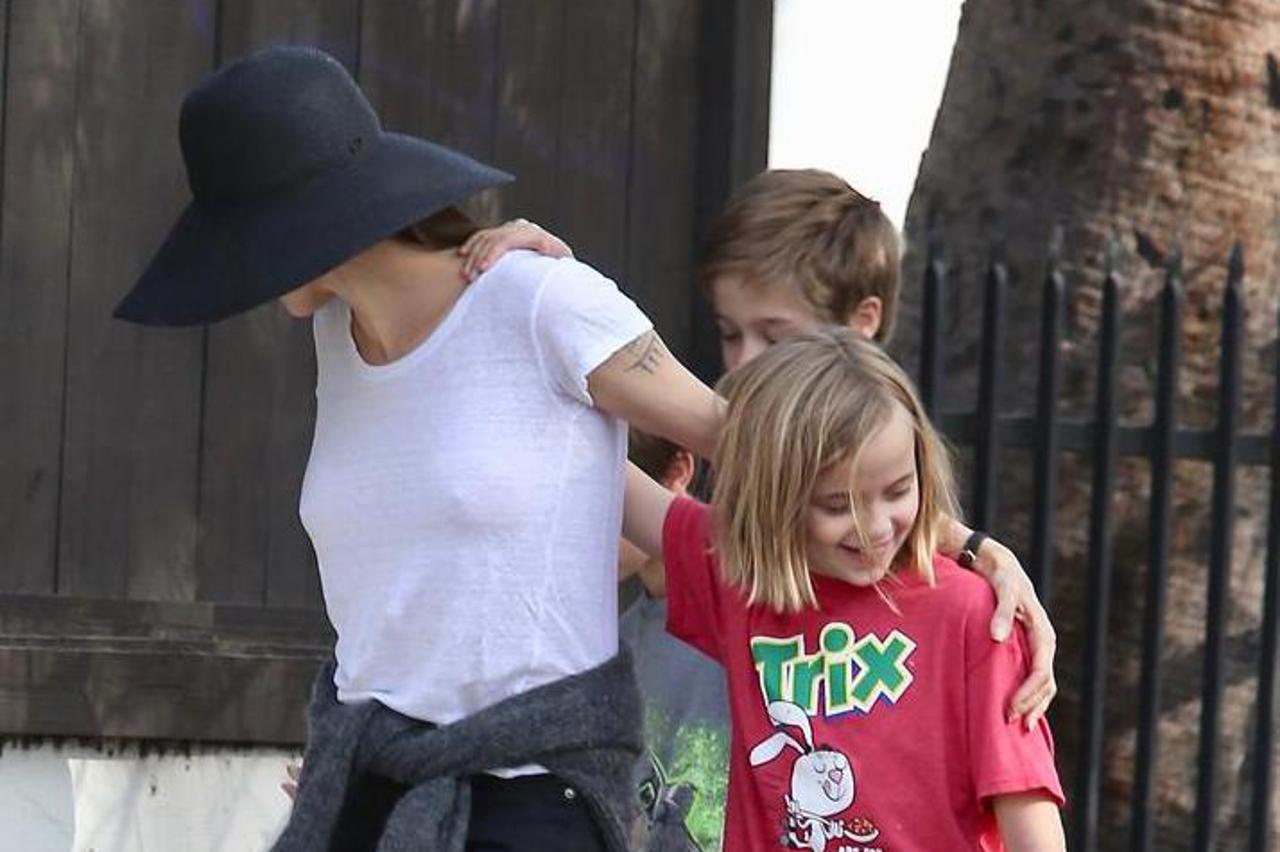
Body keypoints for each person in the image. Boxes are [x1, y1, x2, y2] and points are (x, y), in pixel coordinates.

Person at [114, 45, 724, 851]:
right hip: (368, 780)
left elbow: (752, 442)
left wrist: (901, 548)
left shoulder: (540, 300)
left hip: (531, 795)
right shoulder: (335, 337)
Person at [459, 171, 1057, 728]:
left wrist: (977, 551)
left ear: (862, 322)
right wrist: (538, 289)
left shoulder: (924, 565)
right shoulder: (724, 442)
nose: (743, 362)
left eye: (775, 336)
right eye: (729, 333)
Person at [622, 327, 1066, 851]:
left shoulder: (973, 613)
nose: (875, 527)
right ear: (775, 500)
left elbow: (1029, 813)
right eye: (838, 505)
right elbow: (603, 469)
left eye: (899, 490)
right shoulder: (741, 577)